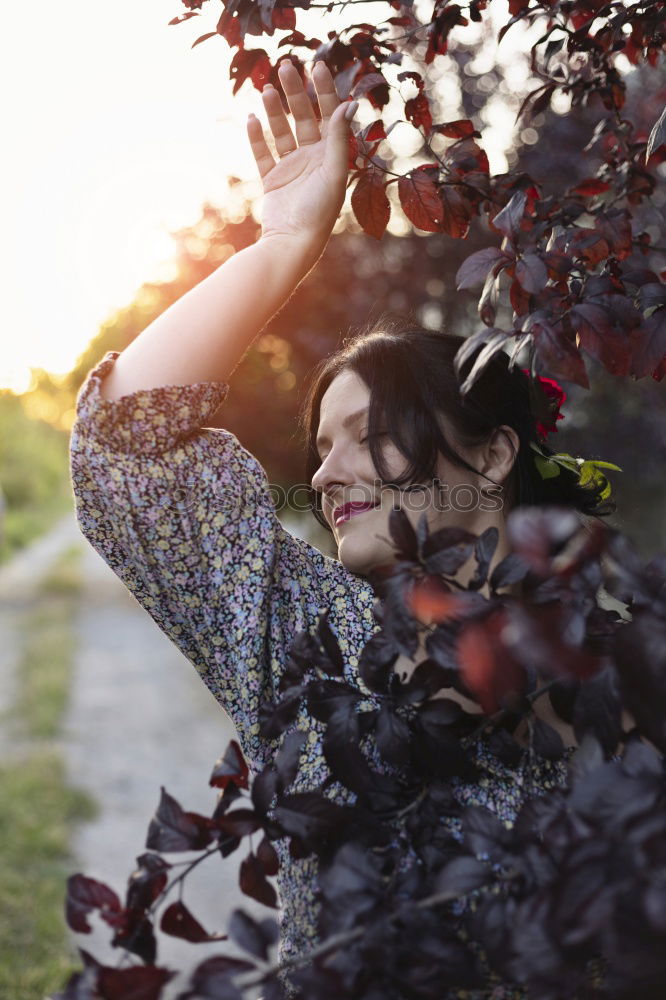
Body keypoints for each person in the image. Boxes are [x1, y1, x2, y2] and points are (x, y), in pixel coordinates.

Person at [69, 59, 615, 997]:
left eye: (366, 435)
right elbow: (127, 445)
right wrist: (282, 246)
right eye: (321, 448)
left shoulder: (618, 646)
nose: (326, 474)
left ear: (490, 454)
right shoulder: (310, 637)